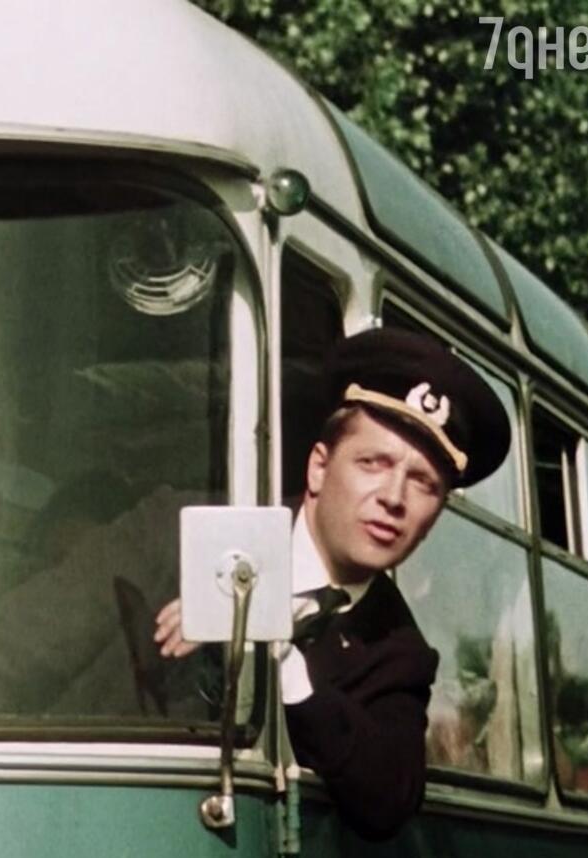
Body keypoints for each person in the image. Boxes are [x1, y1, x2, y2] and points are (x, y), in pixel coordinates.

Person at [153, 326, 511, 841]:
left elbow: (390, 800)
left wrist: (281, 656)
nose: (393, 498)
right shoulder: (178, 530)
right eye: (373, 463)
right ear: (319, 468)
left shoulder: (399, 654)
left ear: (435, 516)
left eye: (423, 483)